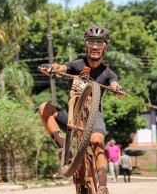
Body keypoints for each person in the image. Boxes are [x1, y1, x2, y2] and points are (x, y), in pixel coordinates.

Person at [38, 25, 127, 194]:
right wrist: (51, 67)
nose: (95, 46)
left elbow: (115, 84)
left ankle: (102, 185)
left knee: (96, 141)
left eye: (99, 43)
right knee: (44, 108)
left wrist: (118, 89)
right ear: (86, 45)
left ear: (105, 48)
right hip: (73, 117)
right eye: (91, 42)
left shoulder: (108, 73)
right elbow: (61, 67)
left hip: (94, 117)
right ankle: (65, 148)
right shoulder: (76, 64)